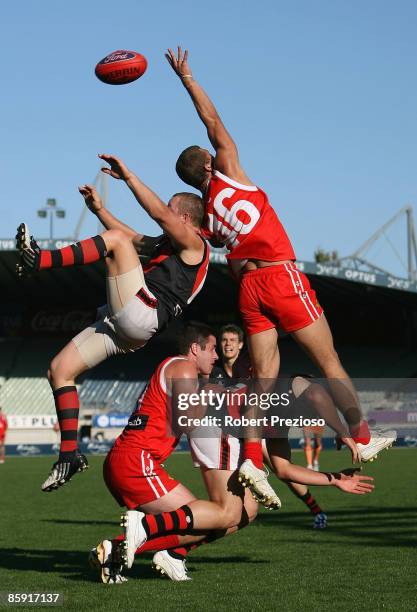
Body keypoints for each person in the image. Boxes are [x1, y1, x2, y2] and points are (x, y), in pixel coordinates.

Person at [164, 47, 396, 505]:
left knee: (264, 379)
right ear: (209, 165)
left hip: (248, 291)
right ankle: (363, 436)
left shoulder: (208, 220)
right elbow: (213, 121)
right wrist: (188, 78)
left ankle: (252, 457)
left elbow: (185, 231)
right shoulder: (228, 171)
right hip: (278, 276)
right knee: (328, 361)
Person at [91, 323, 374, 583]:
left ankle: (158, 552)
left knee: (245, 513)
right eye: (213, 348)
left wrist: (336, 479)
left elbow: (285, 470)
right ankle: (147, 529)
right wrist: (345, 430)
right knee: (222, 513)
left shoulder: (280, 422)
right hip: (216, 433)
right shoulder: (292, 387)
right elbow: (316, 394)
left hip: (204, 437)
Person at [16, 155, 209, 492]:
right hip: (129, 328)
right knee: (59, 370)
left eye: (170, 208)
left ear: (185, 217)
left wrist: (129, 177)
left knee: (114, 240)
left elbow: (135, 229)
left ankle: (39, 261)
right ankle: (69, 455)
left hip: (141, 312)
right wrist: (98, 210)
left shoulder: (196, 244)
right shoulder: (172, 245)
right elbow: (133, 238)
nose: (164, 211)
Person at [90, 322, 259, 583]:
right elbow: (186, 420)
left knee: (208, 518)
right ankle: (122, 546)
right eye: (212, 349)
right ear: (195, 348)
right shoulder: (183, 367)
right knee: (206, 519)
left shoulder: (177, 367)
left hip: (132, 460)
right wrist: (211, 394)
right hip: (137, 461)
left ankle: (125, 556)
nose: (216, 356)